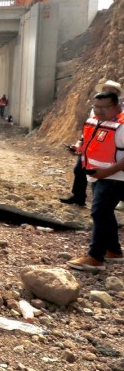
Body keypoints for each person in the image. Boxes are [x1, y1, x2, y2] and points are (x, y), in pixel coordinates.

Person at [66, 91, 124, 271]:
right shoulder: (96, 118)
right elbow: (87, 138)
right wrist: (78, 147)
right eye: (96, 106)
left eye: (103, 107)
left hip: (114, 177)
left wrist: (106, 172)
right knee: (105, 212)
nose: (98, 111)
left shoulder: (122, 126)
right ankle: (113, 251)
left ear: (116, 106)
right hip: (96, 174)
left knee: (99, 212)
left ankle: (95, 257)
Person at [61, 79, 123, 206]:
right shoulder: (95, 109)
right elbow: (90, 129)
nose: (107, 92)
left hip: (111, 153)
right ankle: (78, 196)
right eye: (105, 89)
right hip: (91, 148)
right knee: (79, 169)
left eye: (111, 90)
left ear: (117, 94)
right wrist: (79, 145)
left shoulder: (120, 112)